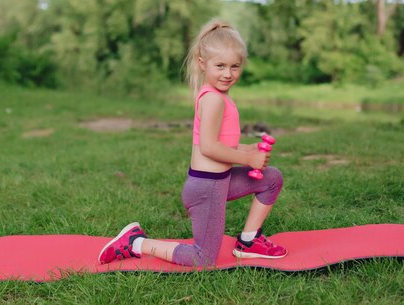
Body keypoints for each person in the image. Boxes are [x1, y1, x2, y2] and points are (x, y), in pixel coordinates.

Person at [98, 21, 286, 266]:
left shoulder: (220, 97)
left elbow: (221, 144)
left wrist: (248, 149)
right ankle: (135, 242)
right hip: (206, 188)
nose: (228, 73)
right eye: (220, 66)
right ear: (202, 63)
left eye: (235, 66)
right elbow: (209, 148)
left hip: (221, 182)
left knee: (271, 178)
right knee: (204, 259)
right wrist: (249, 159)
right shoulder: (213, 100)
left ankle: (249, 241)